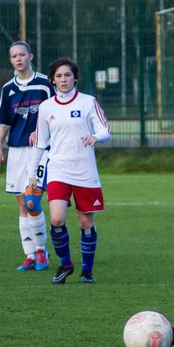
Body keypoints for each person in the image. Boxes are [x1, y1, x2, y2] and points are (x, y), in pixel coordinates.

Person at [30, 58, 112, 284]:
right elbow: (40, 143)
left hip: (85, 171)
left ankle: (87, 269)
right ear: (53, 80)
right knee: (56, 218)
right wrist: (32, 176)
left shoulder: (88, 102)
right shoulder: (47, 107)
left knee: (85, 223)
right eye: (59, 76)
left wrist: (95, 136)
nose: (63, 80)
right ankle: (65, 263)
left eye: (67, 75)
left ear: (75, 78)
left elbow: (105, 129)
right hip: (58, 169)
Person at [0, 40, 52, 271]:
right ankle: (30, 255)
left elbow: (56, 113)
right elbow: (4, 122)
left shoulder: (46, 83)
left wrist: (42, 131)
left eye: (22, 54)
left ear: (31, 56)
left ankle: (41, 251)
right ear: (11, 60)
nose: (18, 59)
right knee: (22, 205)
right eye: (14, 56)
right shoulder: (8, 89)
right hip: (16, 151)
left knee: (32, 200)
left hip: (39, 152)